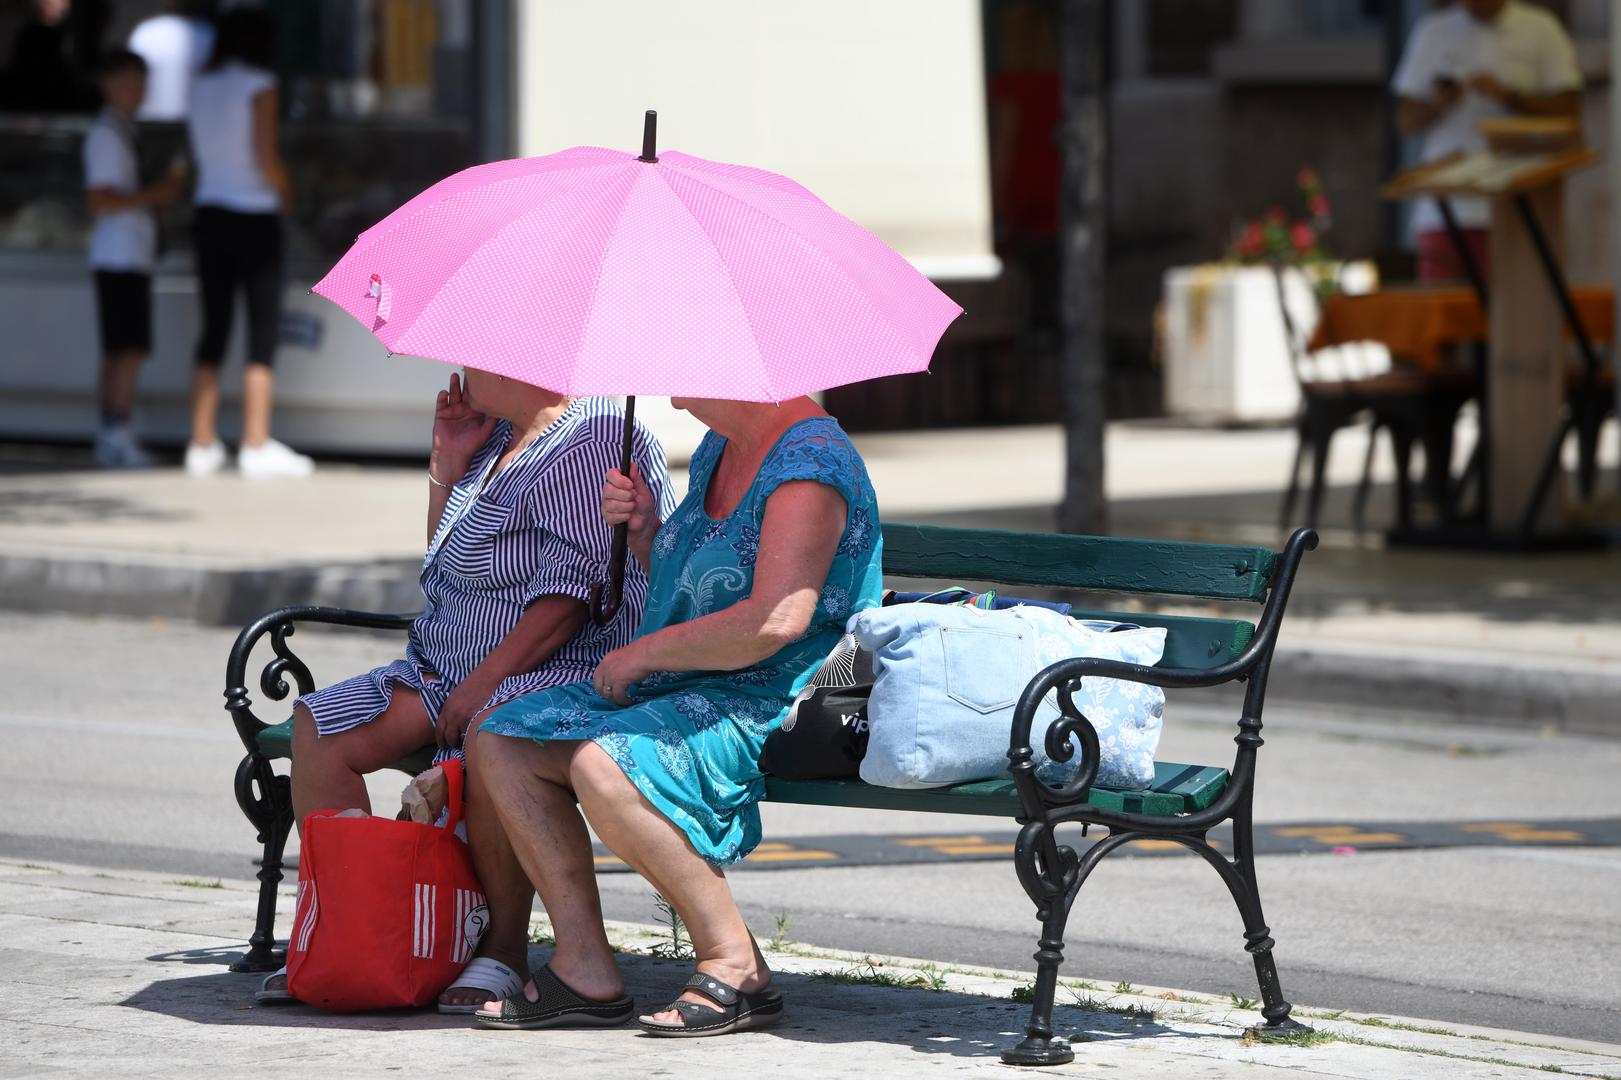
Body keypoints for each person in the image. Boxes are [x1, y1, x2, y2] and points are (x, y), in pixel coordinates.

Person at [451, 396, 882, 1034]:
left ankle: (735, 963)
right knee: (501, 735)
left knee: (605, 765)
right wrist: (649, 534)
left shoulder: (809, 467)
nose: (669, 371)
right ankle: (584, 969)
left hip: (772, 699)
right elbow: (698, 589)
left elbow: (775, 620)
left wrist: (643, 652)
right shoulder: (721, 445)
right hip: (684, 682)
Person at [252, 372, 675, 1004]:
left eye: (477, 353)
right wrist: (447, 464)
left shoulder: (594, 440)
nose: (460, 366)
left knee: (492, 733)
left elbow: (575, 595)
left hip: (553, 667)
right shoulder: (498, 436)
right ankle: (349, 935)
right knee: (320, 728)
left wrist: (482, 684)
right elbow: (444, 565)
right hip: (446, 663)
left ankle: (501, 949)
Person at [184, 7, 311, 478]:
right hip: (254, 214)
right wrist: (286, 191)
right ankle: (254, 442)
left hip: (209, 209)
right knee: (261, 327)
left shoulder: (200, 83)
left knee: (213, 327)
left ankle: (201, 442)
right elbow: (265, 151)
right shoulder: (259, 82)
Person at [1391, 0, 1583, 282]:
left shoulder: (1540, 29)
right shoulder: (1435, 30)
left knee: (1514, 313)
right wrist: (1440, 103)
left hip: (1519, 205)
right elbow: (1405, 121)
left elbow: (1569, 110)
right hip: (1445, 204)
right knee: (1446, 316)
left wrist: (1510, 97)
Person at [83, 49, 183, 468]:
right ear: (107, 85)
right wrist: (155, 194)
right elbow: (99, 200)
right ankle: (116, 429)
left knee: (120, 347)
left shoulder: (122, 130)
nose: (135, 93)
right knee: (127, 348)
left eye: (140, 84)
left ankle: (112, 427)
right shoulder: (107, 134)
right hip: (119, 254)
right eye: (126, 84)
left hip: (127, 253)